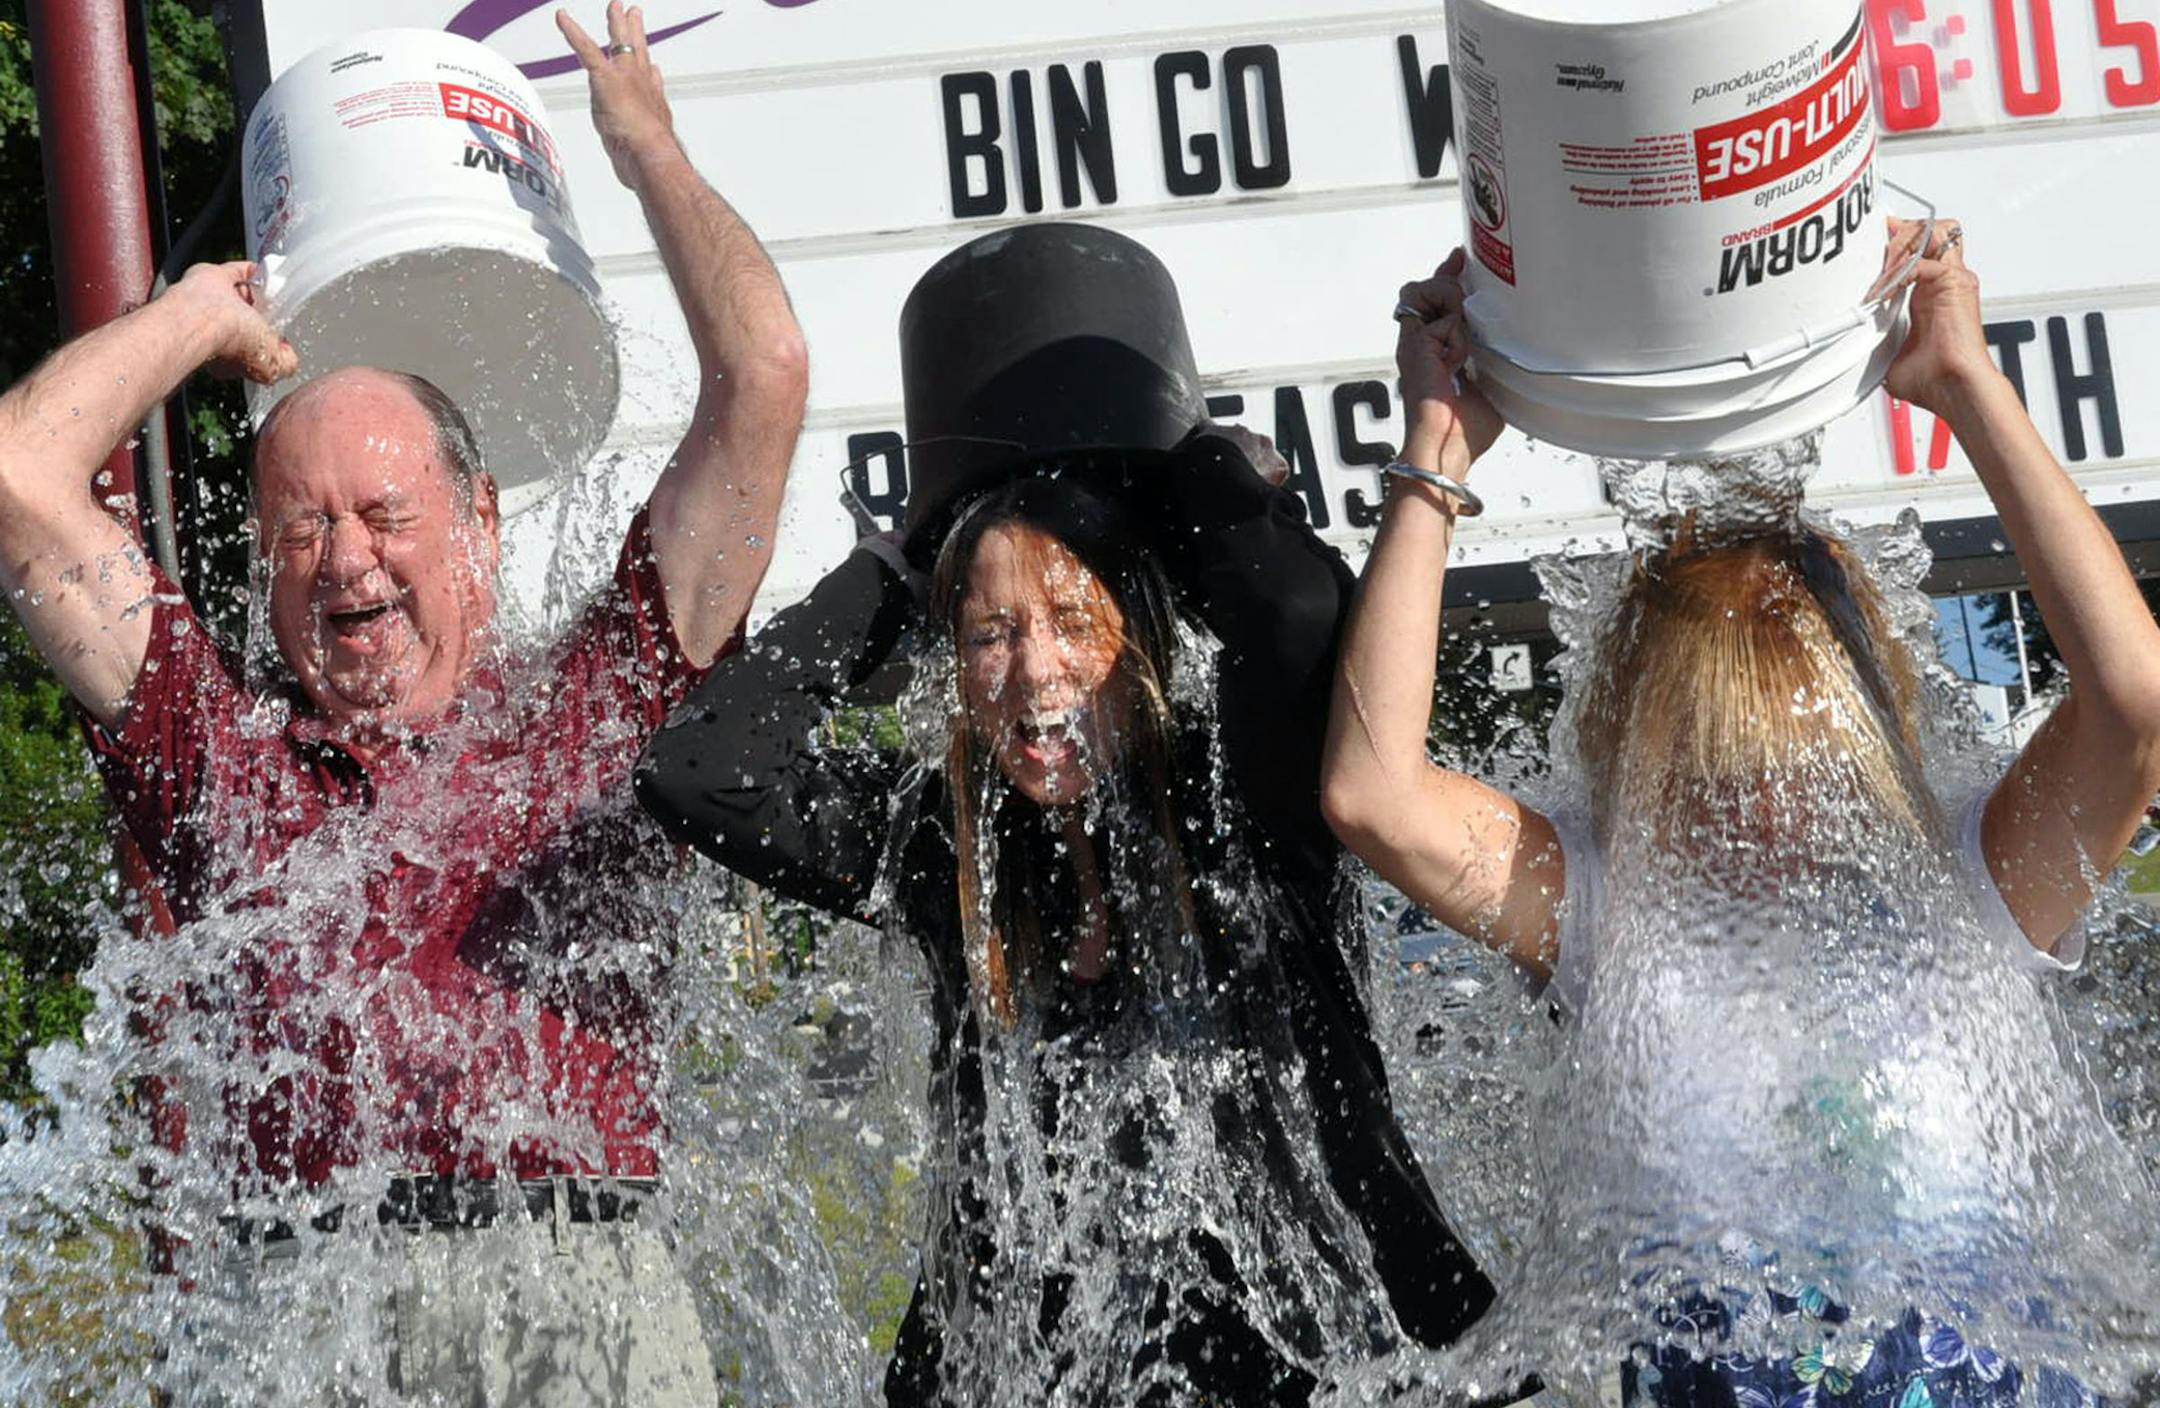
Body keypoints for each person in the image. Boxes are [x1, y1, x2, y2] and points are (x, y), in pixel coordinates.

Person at [0, 4, 806, 1401]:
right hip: (303, 1307)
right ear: (262, 565)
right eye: (302, 528)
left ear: (479, 522)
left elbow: (765, 382)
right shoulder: (218, 757)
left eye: (384, 512)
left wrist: (649, 154)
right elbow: (17, 479)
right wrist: (199, 311)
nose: (347, 559)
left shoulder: (600, 707)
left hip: (585, 1302)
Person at [635, 222, 1502, 1406]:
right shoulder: (946, 841)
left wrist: (1189, 468)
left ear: (1137, 634)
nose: (1034, 673)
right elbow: (699, 769)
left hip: (1340, 1362)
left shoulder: (1243, 795)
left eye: (1072, 624)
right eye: (990, 635)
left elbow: (1295, 616)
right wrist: (893, 568)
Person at [1320, 226, 2160, 1402]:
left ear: (1864, 748)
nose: (1761, 806)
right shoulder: (1613, 918)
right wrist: (1436, 455)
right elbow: (1375, 794)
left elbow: (2134, 700)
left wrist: (1968, 389)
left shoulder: (1975, 887)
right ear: (1639, 754)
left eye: (1794, 763)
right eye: (1711, 767)